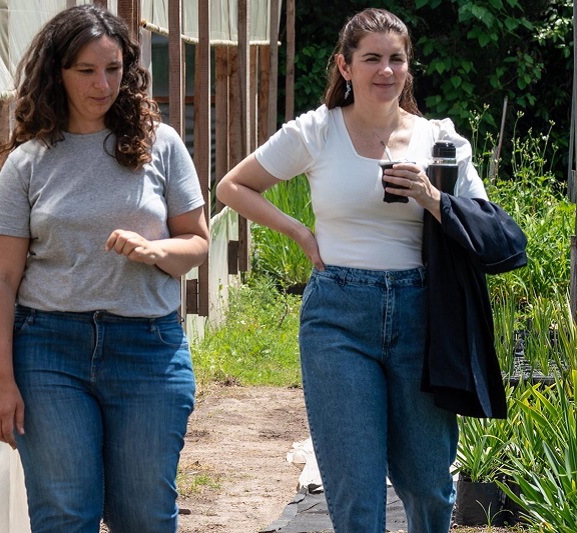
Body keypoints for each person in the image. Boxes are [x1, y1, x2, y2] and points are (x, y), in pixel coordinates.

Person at [216, 7, 527, 533]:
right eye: (372, 59)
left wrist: (432, 198)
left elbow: (490, 228)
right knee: (354, 492)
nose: (385, 70)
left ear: (409, 67)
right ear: (345, 66)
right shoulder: (315, 132)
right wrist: (299, 232)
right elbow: (233, 187)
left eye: (396, 59)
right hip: (339, 315)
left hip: (422, 315)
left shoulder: (441, 141)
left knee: (428, 483)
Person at [0, 5, 208, 532]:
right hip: (49, 351)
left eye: (113, 68)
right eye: (86, 70)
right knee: (65, 515)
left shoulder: (162, 145)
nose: (102, 84)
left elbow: (196, 243)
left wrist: (156, 252)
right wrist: (1, 381)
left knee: (145, 517)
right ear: (56, 73)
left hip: (148, 348)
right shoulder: (29, 161)